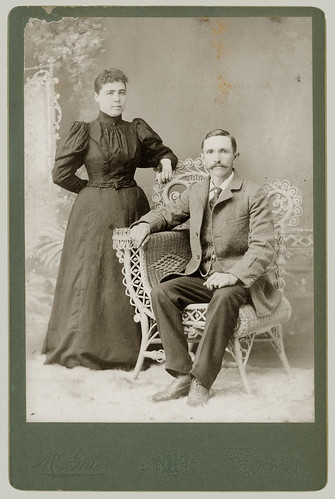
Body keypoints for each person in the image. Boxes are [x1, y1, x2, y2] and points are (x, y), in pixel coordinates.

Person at [130, 129, 282, 406]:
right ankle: (181, 375)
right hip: (204, 277)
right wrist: (144, 224)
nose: (217, 158)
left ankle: (202, 381)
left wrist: (232, 275)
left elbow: (263, 247)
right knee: (162, 292)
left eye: (223, 151)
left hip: (242, 282)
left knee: (224, 296)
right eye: (211, 152)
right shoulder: (197, 191)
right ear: (202, 158)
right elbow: (167, 214)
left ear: (235, 156)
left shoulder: (252, 194)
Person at [42, 68, 178, 370]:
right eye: (110, 93)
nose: (117, 99)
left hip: (132, 207)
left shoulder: (135, 129)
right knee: (93, 274)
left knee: (129, 274)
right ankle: (86, 347)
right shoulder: (85, 130)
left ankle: (134, 348)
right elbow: (60, 174)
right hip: (94, 212)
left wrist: (166, 159)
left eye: (121, 92)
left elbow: (159, 153)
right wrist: (92, 190)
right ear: (97, 97)